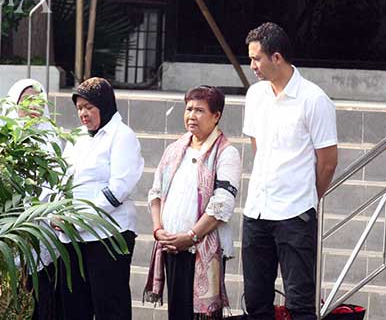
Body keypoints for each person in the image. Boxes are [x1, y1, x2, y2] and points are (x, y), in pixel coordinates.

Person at [242, 22, 338, 320]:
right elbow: (258, 147)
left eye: (257, 58)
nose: (252, 65)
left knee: (300, 303)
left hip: (295, 214)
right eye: (251, 58)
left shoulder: (314, 99)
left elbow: (328, 161)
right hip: (257, 211)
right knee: (256, 301)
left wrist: (309, 197)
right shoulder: (255, 96)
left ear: (277, 57)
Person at [145, 85, 241, 320]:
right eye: (188, 109)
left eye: (199, 110)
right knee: (177, 313)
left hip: (200, 248)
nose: (191, 116)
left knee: (200, 315)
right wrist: (158, 230)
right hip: (170, 245)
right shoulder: (175, 149)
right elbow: (155, 193)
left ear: (216, 115)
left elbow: (221, 206)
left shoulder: (226, 153)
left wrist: (189, 237)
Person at [57, 77, 144, 319]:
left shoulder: (122, 136)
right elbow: (63, 177)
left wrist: (79, 218)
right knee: (75, 306)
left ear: (104, 106)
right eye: (79, 108)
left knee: (109, 306)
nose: (83, 114)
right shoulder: (78, 136)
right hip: (72, 236)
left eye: (89, 108)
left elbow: (119, 189)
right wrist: (58, 211)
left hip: (109, 236)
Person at [6, 78, 60, 320]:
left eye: (38, 100)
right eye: (27, 100)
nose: (33, 106)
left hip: (43, 229)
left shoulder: (52, 140)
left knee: (42, 298)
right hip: (10, 227)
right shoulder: (4, 138)